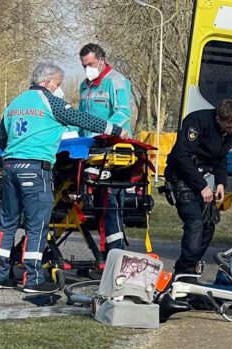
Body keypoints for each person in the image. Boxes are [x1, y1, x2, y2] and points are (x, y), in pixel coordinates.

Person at [0, 61, 126, 294]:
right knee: (37, 225)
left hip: (10, 167)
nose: (59, 88)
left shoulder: (14, 103)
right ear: (47, 82)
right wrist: (114, 129)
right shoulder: (50, 102)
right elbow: (82, 119)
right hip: (34, 168)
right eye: (58, 84)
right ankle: (32, 280)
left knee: (8, 223)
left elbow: (1, 138)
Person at [165, 99, 232, 279]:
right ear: (218, 118)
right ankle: (186, 271)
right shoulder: (197, 122)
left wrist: (221, 183)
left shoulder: (228, 132)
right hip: (182, 178)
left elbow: (221, 157)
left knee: (209, 224)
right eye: (229, 127)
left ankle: (187, 267)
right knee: (195, 223)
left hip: (202, 181)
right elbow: (181, 155)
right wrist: (202, 186)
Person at [78, 43, 134, 253]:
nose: (87, 69)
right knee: (99, 206)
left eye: (90, 64)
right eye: (84, 65)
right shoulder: (85, 85)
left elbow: (123, 112)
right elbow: (81, 116)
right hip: (91, 151)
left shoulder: (116, 82)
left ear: (101, 60)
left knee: (111, 206)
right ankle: (104, 252)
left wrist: (102, 131)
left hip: (113, 152)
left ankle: (115, 252)